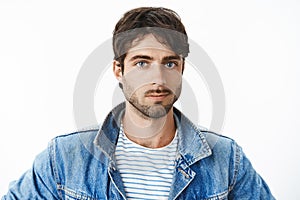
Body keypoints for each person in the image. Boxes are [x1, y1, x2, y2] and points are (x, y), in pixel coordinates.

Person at [2, 7, 275, 200]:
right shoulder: (65, 157)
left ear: (181, 70)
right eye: (142, 62)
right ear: (118, 70)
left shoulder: (227, 160)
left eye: (169, 63)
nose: (158, 78)